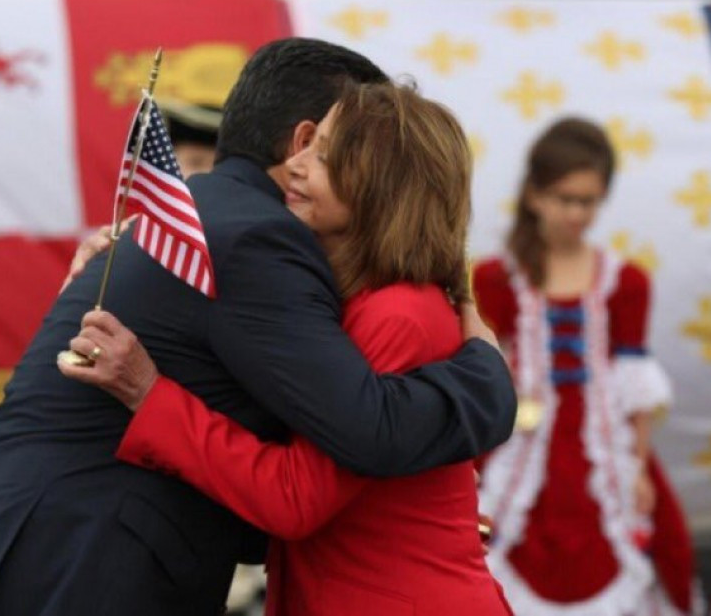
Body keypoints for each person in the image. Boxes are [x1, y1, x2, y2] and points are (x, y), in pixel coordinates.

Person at [0, 37, 516, 616]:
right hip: (68, 568)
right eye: (319, 148)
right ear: (301, 138)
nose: (306, 167)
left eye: (333, 155)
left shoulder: (200, 223)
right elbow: (366, 429)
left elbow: (310, 474)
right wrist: (486, 377)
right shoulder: (254, 238)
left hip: (7, 556)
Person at [65, 82, 513, 615]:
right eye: (305, 146)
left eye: (322, 156)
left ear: (381, 188)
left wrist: (149, 393)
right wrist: (134, 260)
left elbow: (295, 499)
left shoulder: (400, 312)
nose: (294, 165)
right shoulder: (353, 298)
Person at [472, 117, 694, 615]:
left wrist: (638, 466)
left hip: (602, 453)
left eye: (587, 201)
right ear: (534, 195)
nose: (575, 213)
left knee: (647, 550)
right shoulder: (495, 278)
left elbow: (634, 384)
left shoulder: (627, 282)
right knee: (492, 550)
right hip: (519, 452)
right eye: (563, 198)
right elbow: (480, 372)